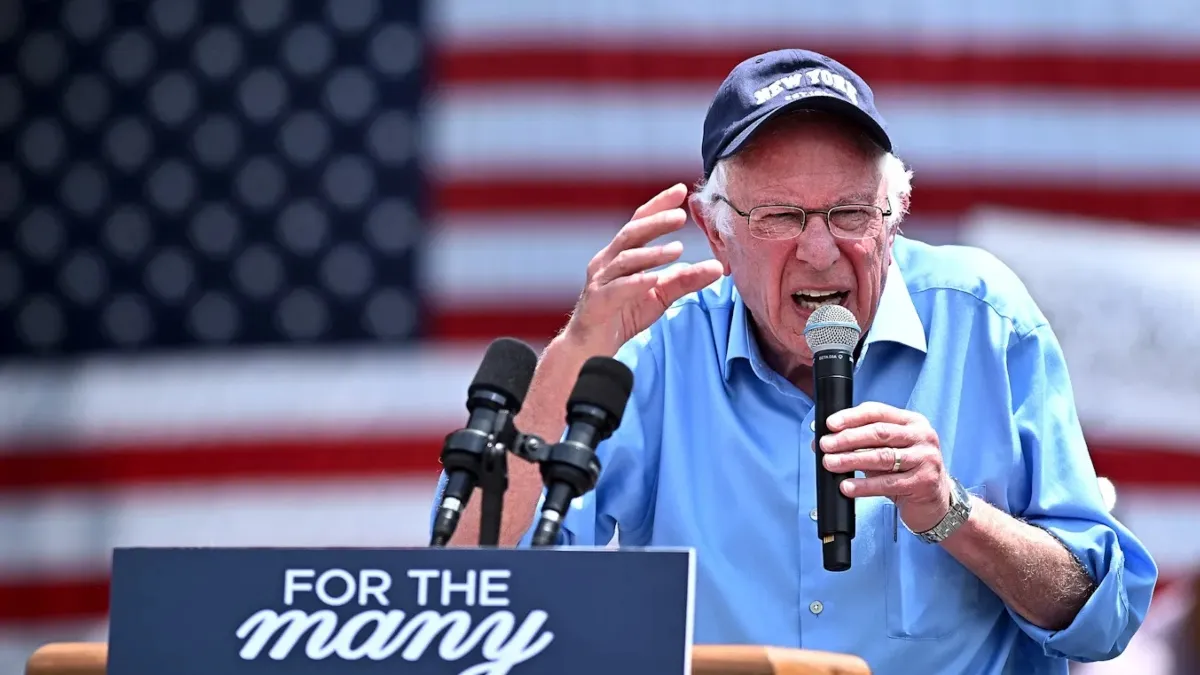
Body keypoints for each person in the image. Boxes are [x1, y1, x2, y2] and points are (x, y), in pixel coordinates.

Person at [430, 49, 1157, 674]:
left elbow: (1103, 613)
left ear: (892, 218)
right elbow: (468, 594)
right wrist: (573, 357)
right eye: (780, 216)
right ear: (716, 234)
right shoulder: (660, 350)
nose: (819, 249)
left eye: (849, 213)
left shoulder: (985, 320)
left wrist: (952, 513)